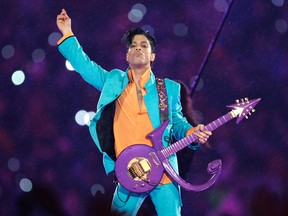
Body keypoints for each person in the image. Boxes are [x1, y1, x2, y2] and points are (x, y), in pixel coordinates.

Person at [56, 9, 212, 216]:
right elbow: (86, 67)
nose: (138, 49)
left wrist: (192, 132)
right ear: (127, 54)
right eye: (133, 46)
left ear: (152, 55)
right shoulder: (114, 82)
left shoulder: (168, 89)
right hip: (130, 170)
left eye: (144, 46)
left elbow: (178, 123)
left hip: (164, 170)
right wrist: (67, 33)